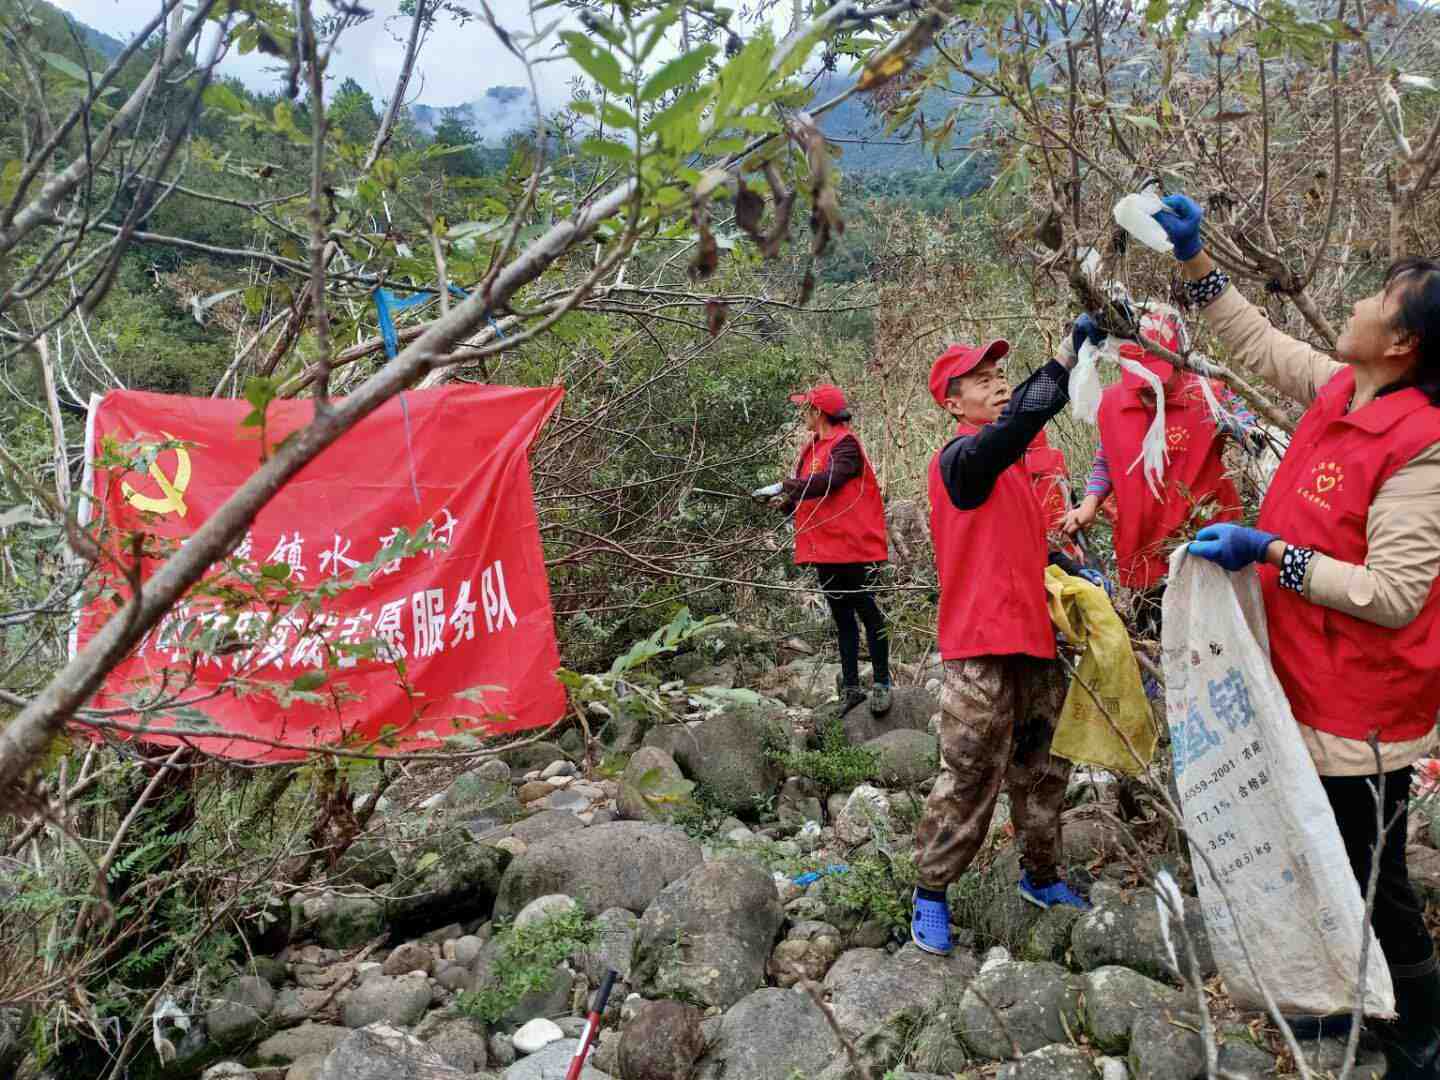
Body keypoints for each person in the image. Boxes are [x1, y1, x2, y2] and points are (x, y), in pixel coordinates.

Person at [1150, 193, 1440, 1078]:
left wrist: (1272, 553)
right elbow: (1259, 344)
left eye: (1376, 299)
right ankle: (1349, 1003)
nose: (1354, 302)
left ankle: (1421, 1038)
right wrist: (1195, 261)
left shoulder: (1422, 445)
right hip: (1303, 678)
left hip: (1363, 706)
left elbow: (1394, 593)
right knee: (1319, 851)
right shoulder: (1347, 390)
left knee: (1374, 876)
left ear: (1402, 342)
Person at [911, 336, 1094, 958]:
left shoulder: (1011, 470)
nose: (998, 383)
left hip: (1033, 640)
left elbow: (1023, 549)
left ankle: (1041, 876)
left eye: (1000, 374)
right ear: (952, 403)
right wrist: (1065, 361)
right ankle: (931, 890)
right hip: (979, 646)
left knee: (1043, 767)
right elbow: (1016, 428)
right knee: (970, 772)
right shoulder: (962, 459)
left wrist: (1073, 573)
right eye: (982, 378)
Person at [1062, 303, 1257, 637]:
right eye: (1142, 376)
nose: (1151, 386)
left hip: (1206, 544)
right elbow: (1107, 457)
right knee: (1159, 638)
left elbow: (1253, 433)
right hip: (1144, 545)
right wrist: (1090, 503)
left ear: (1180, 359)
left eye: (1159, 374)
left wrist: (1249, 431)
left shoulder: (1209, 393)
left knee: (1218, 640)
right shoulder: (1111, 404)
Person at [753, 384, 892, 716]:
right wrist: (783, 503)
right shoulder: (812, 447)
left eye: (805, 409)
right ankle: (851, 688)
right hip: (826, 546)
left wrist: (781, 486)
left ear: (818, 412)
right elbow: (809, 489)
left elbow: (830, 481)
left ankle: (882, 683)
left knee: (869, 614)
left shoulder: (847, 445)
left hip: (854, 545)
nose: (802, 414)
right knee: (842, 617)